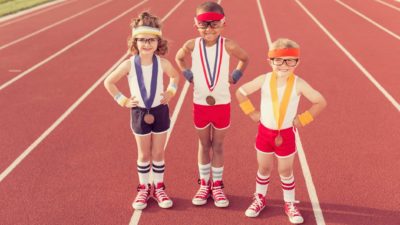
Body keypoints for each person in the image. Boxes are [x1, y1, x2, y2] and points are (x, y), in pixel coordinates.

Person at [236, 38, 327, 223]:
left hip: (285, 134)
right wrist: (251, 111)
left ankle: (289, 203)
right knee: (264, 167)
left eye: (290, 60)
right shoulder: (264, 79)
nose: (284, 65)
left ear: (297, 62)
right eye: (278, 60)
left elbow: (320, 102)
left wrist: (303, 119)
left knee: (285, 170)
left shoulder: (299, 83)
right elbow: (240, 92)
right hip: (264, 132)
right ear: (270, 61)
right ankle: (259, 198)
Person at [175, 1, 249, 208]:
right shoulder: (192, 45)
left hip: (222, 104)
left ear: (223, 23)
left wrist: (236, 75)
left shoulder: (229, 45)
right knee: (203, 144)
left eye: (215, 24)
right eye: (204, 24)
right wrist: (186, 73)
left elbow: (245, 58)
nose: (209, 29)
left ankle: (217, 185)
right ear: (195, 24)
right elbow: (179, 57)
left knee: (217, 145)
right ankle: (204, 184)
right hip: (200, 104)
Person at [104, 12, 179, 210]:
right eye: (142, 40)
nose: (147, 44)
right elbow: (108, 82)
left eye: (151, 40)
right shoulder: (129, 64)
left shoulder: (162, 63)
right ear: (135, 41)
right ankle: (144, 188)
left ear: (158, 42)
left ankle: (159, 187)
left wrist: (171, 92)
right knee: (144, 155)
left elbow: (175, 77)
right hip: (139, 113)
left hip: (160, 111)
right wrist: (122, 100)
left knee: (158, 153)